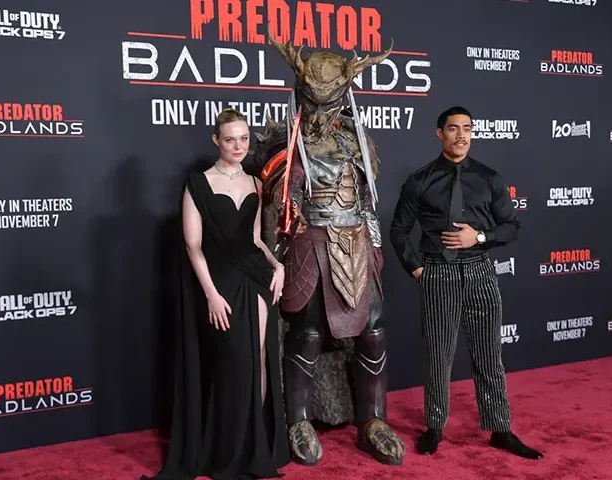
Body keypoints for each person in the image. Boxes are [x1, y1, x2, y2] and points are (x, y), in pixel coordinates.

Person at [251, 32, 406, 467]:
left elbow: (367, 199)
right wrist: (287, 196)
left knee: (373, 332)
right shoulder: (285, 140)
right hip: (309, 243)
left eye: (328, 102)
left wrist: (374, 251)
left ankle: (373, 419)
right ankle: (298, 418)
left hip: (356, 242)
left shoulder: (358, 143)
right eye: (313, 102)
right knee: (308, 333)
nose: (320, 112)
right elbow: (277, 198)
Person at [142, 108, 290, 480]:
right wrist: (210, 293)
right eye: (230, 139)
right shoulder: (198, 184)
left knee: (258, 357)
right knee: (232, 361)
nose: (238, 146)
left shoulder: (257, 183)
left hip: (256, 276)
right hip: (219, 281)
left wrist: (279, 266)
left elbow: (256, 239)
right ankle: (226, 445)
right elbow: (193, 246)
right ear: (216, 140)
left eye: (243, 138)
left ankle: (251, 445)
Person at [388, 106, 543, 460]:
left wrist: (481, 237)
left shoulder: (489, 178)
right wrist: (415, 268)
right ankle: (434, 426)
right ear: (439, 133)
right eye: (454, 128)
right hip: (437, 273)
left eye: (467, 128)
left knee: (490, 355)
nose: (462, 135)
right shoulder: (420, 180)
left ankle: (500, 429)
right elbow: (398, 231)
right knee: (438, 356)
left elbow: (512, 227)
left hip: (480, 271)